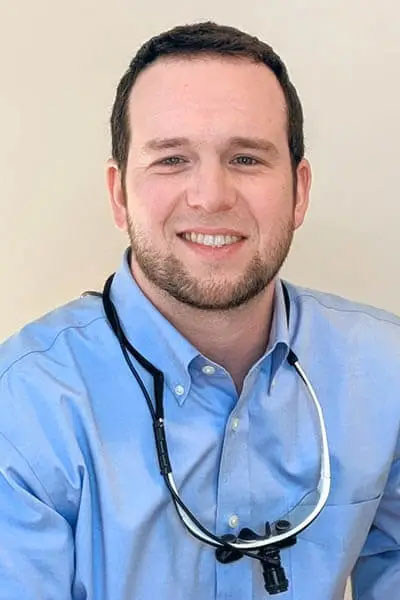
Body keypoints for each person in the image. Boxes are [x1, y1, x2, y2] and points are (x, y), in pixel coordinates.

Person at [0, 21, 399, 600]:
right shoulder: (23, 409)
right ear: (119, 194)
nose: (211, 196)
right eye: (171, 160)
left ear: (300, 191)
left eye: (245, 158)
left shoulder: (384, 374)